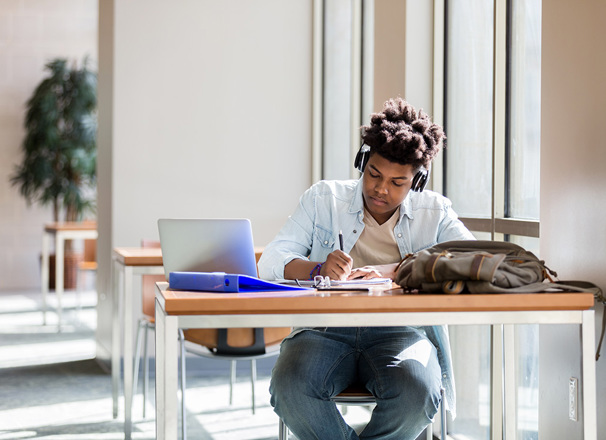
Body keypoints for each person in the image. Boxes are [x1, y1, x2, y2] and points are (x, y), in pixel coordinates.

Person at [257, 97, 474, 440]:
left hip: (400, 330)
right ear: (362, 161)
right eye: (373, 173)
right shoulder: (323, 199)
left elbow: (470, 260)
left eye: (397, 182)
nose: (380, 188)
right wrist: (317, 268)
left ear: (416, 182)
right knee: (290, 387)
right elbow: (270, 262)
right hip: (323, 330)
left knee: (418, 394)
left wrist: (395, 271)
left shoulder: (434, 211)